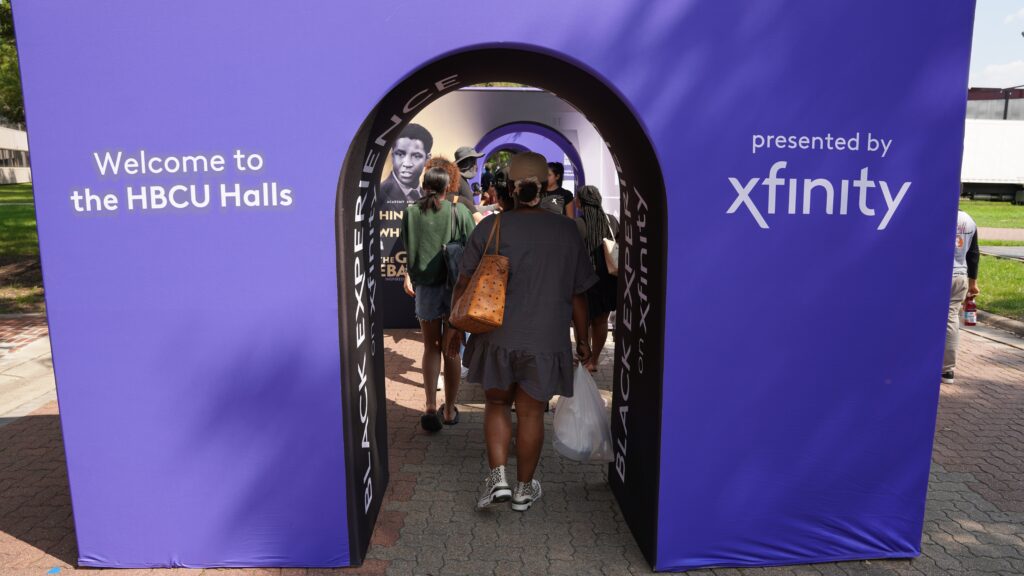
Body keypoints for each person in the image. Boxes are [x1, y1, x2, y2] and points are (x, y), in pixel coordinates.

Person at [444, 152, 597, 512]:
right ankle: (524, 490)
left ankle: (497, 478)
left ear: (508, 188)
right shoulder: (567, 231)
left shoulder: (491, 227)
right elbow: (579, 294)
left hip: (496, 336)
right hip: (546, 341)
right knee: (530, 413)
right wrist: (584, 339)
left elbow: (464, 282)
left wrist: (454, 327)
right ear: (546, 186)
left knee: (496, 403)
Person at [400, 166, 476, 431]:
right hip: (456, 288)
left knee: (430, 347)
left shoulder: (411, 213)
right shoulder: (460, 211)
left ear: (424, 186)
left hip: (426, 288)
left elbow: (409, 249)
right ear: (448, 187)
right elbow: (473, 248)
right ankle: (450, 409)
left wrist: (409, 275)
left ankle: (430, 405)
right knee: (452, 348)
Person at [574, 185, 619, 372]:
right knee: (601, 321)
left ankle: (584, 356)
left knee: (581, 321)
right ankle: (595, 360)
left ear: (580, 202)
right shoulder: (612, 221)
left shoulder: (578, 224)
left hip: (585, 279)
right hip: (608, 279)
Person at [943, 209, 980, 385]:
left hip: (937, 275)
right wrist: (973, 282)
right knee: (951, 319)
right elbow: (973, 254)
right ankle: (947, 369)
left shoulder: (939, 214)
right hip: (960, 275)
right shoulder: (969, 219)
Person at [382, 124, 432, 205]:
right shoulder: (380, 195)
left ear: (427, 159)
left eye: (416, 156)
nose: (407, 164)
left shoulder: (427, 198)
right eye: (400, 154)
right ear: (392, 155)